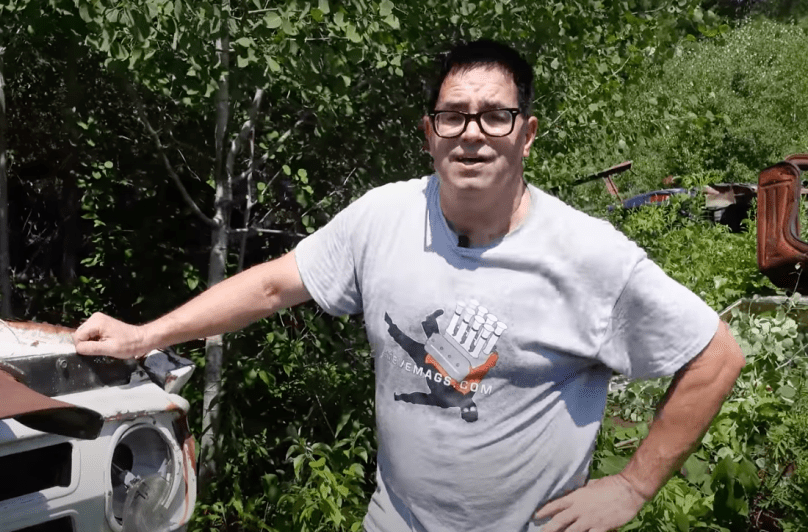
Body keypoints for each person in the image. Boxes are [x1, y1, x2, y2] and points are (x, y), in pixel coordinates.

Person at [74, 39, 745, 532]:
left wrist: (632, 486)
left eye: (495, 115)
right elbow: (274, 286)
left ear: (527, 134)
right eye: (454, 115)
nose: (473, 135)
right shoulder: (384, 217)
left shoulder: (588, 255)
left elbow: (716, 356)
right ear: (429, 133)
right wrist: (147, 335)